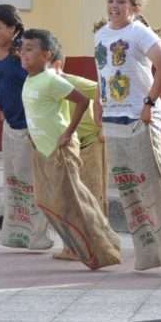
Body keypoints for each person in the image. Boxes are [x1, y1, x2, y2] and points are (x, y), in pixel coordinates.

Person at [95, 0, 161, 271]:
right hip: (112, 118)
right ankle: (148, 252)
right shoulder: (100, 34)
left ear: (134, 6)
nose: (115, 6)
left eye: (121, 1)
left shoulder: (138, 32)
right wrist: (99, 109)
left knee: (152, 184)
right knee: (127, 187)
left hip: (139, 116)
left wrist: (150, 102)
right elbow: (102, 74)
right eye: (111, 0)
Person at [21, 29, 120, 270]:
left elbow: (83, 101)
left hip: (61, 150)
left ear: (46, 55)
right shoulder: (30, 80)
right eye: (21, 49)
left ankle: (103, 250)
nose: (23, 54)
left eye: (29, 49)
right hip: (43, 149)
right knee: (49, 200)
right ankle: (94, 245)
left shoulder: (53, 80)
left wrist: (67, 133)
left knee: (75, 201)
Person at [0, 4, 52, 250]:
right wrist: (3, 111)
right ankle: (17, 233)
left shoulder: (22, 52)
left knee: (32, 182)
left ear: (13, 28)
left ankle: (39, 234)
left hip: (30, 125)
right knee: (14, 181)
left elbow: (46, 74)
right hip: (11, 125)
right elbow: (1, 86)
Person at [49, 40, 108, 262]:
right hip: (69, 147)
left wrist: (102, 126)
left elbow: (101, 90)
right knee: (69, 198)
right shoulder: (44, 87)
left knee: (92, 197)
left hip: (91, 144)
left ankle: (97, 245)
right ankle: (73, 247)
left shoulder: (72, 83)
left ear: (58, 64)